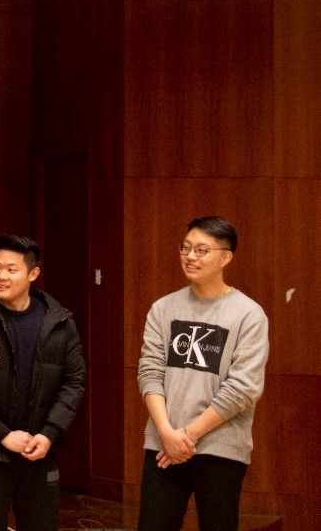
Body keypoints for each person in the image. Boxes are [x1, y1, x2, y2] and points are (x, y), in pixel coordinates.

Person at [0, 234, 86, 531]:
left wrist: (49, 434)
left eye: (11, 269)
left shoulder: (60, 325)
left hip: (40, 453)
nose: (1, 276)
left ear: (33, 274)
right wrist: (3, 434)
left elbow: (73, 383)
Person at [136, 216, 268, 531]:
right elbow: (150, 372)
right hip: (164, 444)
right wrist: (167, 433)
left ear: (226, 257)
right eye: (186, 248)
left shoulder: (249, 314)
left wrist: (189, 435)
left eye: (201, 250)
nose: (190, 256)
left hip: (221, 446)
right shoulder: (163, 308)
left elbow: (243, 388)